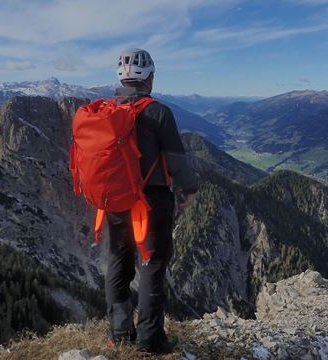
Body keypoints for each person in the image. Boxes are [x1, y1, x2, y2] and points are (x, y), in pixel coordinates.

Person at [105, 48, 199, 353]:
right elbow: (176, 160)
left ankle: (119, 333)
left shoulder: (107, 110)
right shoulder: (158, 112)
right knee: (152, 265)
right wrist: (190, 189)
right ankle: (150, 341)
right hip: (151, 203)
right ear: (150, 78)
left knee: (119, 261)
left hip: (116, 202)